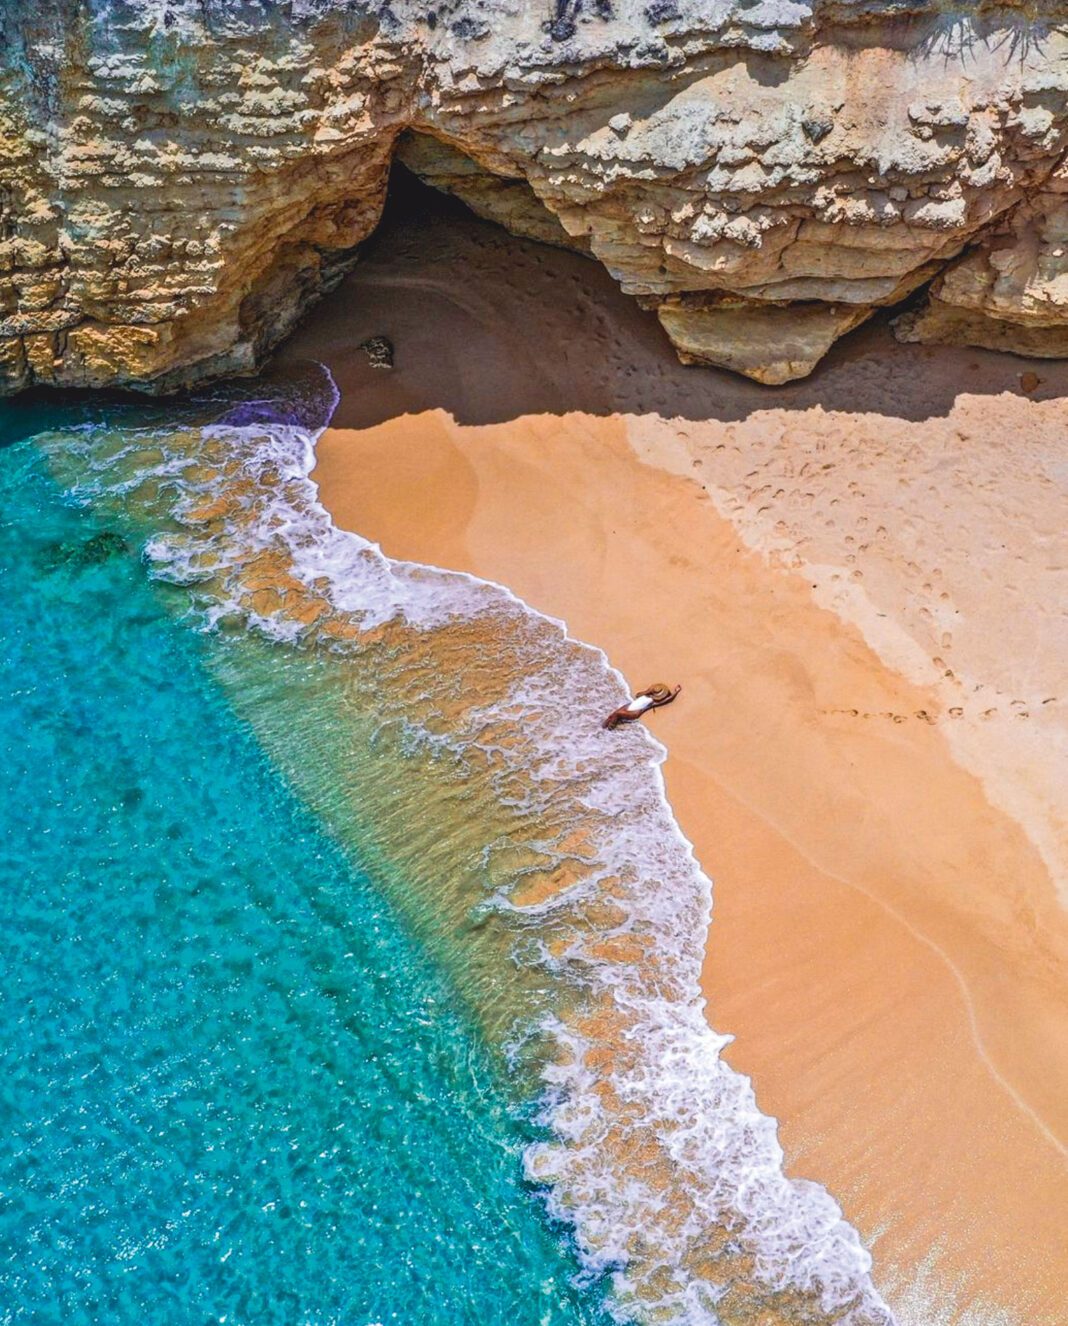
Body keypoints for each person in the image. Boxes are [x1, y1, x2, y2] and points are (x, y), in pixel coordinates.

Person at [602, 682, 681, 730]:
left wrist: (676, 692)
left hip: (634, 712)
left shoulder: (652, 702)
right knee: (612, 715)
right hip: (630, 706)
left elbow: (668, 700)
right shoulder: (645, 694)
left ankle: (609, 730)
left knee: (617, 714)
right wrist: (648, 691)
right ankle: (602, 728)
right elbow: (637, 695)